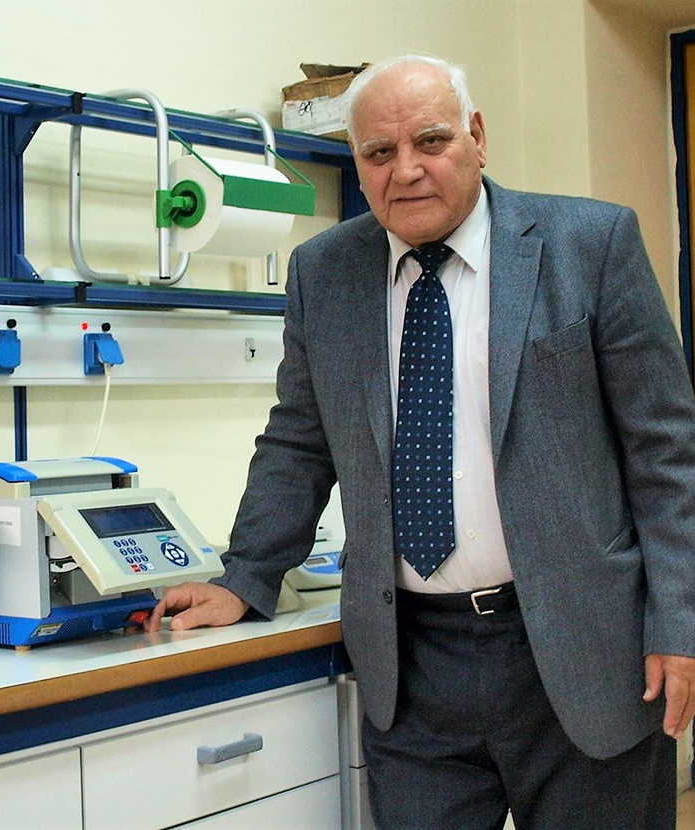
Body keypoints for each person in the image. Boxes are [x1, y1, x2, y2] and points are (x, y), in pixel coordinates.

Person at [145, 54, 695, 828]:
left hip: (583, 648)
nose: (405, 170)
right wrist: (245, 576)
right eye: (379, 152)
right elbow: (299, 443)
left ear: (477, 137)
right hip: (413, 669)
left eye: (430, 141)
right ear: (358, 162)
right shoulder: (324, 273)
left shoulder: (590, 244)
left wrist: (680, 621)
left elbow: (666, 453)